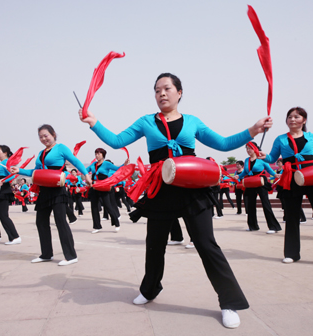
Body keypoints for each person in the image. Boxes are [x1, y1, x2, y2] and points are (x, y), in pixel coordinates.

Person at [79, 72, 272, 328]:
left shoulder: (192, 122)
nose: (161, 93)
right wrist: (94, 122)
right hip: (161, 190)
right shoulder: (145, 122)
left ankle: (230, 302)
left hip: (192, 188)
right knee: (154, 245)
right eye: (157, 89)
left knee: (207, 245)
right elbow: (117, 141)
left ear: (179, 92)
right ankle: (149, 290)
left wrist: (254, 130)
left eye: (167, 88)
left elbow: (224, 144)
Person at [259, 107, 313, 268]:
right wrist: (264, 156)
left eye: (296, 117)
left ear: (304, 120)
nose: (292, 119)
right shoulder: (280, 139)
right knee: (292, 217)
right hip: (292, 179)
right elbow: (272, 157)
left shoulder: (311, 136)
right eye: (289, 117)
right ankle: (291, 253)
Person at [10, 124, 91, 266]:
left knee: (60, 222)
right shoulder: (41, 154)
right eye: (41, 137)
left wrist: (86, 175)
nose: (43, 138)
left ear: (53, 134)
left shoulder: (61, 148)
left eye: (46, 135)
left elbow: (76, 161)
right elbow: (35, 172)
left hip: (58, 190)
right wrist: (19, 170)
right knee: (41, 222)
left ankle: (71, 256)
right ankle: (46, 254)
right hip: (44, 191)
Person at [236, 142, 281, 233]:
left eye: (250, 148)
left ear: (255, 148)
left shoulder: (261, 159)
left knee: (265, 204)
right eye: (247, 149)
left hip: (261, 181)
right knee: (250, 205)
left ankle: (273, 227)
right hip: (250, 182)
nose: (248, 150)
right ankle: (253, 226)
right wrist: (239, 176)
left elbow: (268, 169)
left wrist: (275, 174)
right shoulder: (247, 160)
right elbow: (245, 171)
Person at [86, 149, 126, 233]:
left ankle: (116, 223)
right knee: (94, 207)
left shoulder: (107, 164)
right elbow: (85, 170)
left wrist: (124, 164)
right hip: (94, 187)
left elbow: (117, 169)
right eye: (96, 153)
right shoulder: (93, 164)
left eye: (99, 153)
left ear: (103, 155)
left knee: (108, 206)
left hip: (104, 187)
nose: (97, 155)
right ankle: (97, 226)